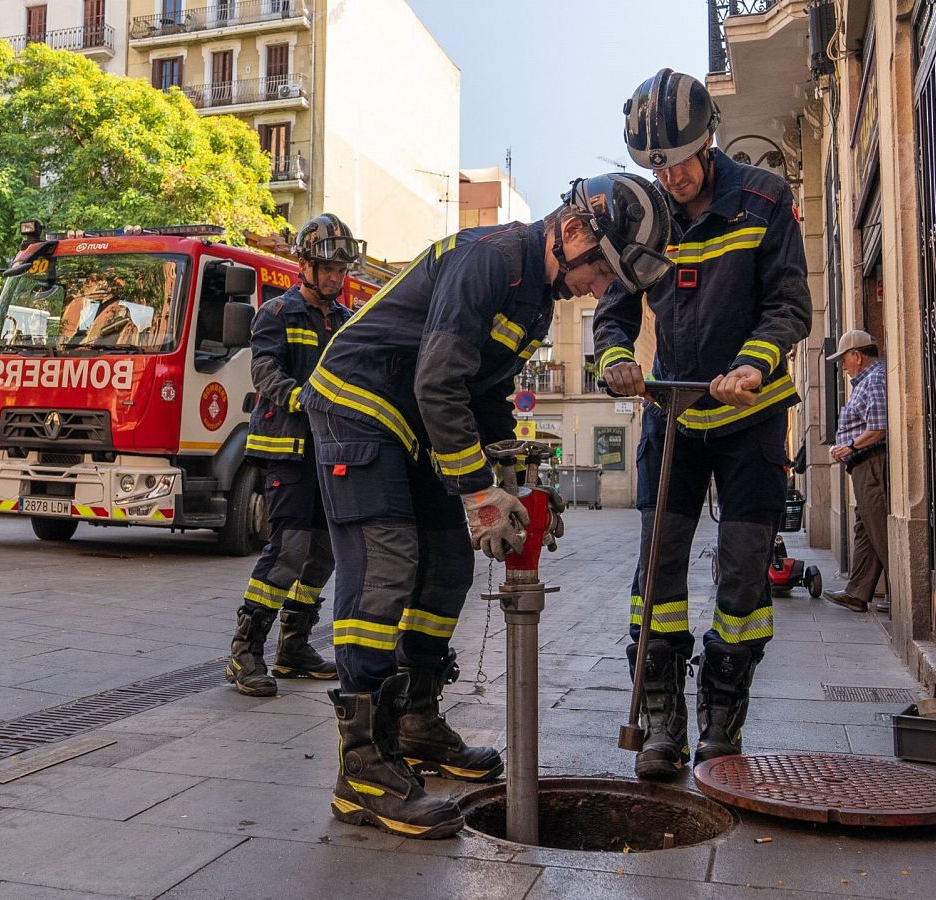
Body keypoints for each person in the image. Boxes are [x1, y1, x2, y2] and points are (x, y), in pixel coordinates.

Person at [299, 172, 667, 839]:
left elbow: (484, 395)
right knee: (387, 568)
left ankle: (415, 720)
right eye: (603, 272)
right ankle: (360, 768)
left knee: (447, 568)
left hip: (415, 418)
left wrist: (514, 480)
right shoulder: (490, 259)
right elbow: (440, 381)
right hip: (359, 405)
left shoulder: (533, 301)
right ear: (577, 230)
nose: (600, 289)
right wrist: (477, 492)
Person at [598, 69, 813, 777]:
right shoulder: (644, 219)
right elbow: (616, 311)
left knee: (745, 571)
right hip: (675, 413)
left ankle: (723, 718)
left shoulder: (764, 198)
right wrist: (618, 358)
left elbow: (789, 306)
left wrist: (753, 366)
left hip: (752, 415)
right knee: (656, 568)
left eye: (680, 160)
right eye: (655, 166)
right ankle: (663, 722)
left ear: (709, 137)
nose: (671, 177)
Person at [224, 214, 358, 696]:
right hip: (287, 449)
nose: (335, 278)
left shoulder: (344, 322)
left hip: (330, 452)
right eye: (327, 269)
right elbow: (264, 372)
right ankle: (245, 652)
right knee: (289, 550)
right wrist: (303, 398)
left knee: (323, 553)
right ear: (303, 265)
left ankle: (295, 645)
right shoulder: (277, 314)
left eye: (341, 270)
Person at [823, 330, 890, 613]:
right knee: (865, 529)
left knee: (879, 529)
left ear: (857, 356)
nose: (842, 367)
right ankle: (858, 593)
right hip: (863, 464)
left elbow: (878, 426)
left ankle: (904, 596)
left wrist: (849, 446)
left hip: (871, 463)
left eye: (844, 360)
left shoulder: (874, 378)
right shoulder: (867, 380)